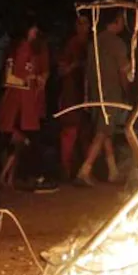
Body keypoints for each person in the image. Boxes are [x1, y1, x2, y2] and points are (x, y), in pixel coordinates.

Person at [74, 8, 130, 186]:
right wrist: (128, 90)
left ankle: (113, 171)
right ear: (115, 22)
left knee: (106, 133)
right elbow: (123, 71)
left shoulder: (94, 43)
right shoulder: (117, 43)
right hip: (111, 93)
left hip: (95, 93)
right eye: (121, 19)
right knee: (102, 132)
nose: (123, 23)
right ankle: (85, 169)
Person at [0, 17, 50, 189]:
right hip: (18, 103)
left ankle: (3, 176)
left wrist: (37, 80)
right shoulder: (20, 49)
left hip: (25, 103)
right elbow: (10, 77)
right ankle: (35, 176)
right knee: (21, 138)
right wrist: (29, 81)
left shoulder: (32, 49)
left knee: (15, 141)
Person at [56, 12, 91, 177]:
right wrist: (75, 65)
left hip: (87, 95)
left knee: (85, 134)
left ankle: (84, 171)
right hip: (72, 95)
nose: (83, 27)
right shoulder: (72, 45)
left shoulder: (90, 45)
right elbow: (62, 70)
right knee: (70, 132)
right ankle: (66, 169)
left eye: (85, 23)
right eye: (80, 23)